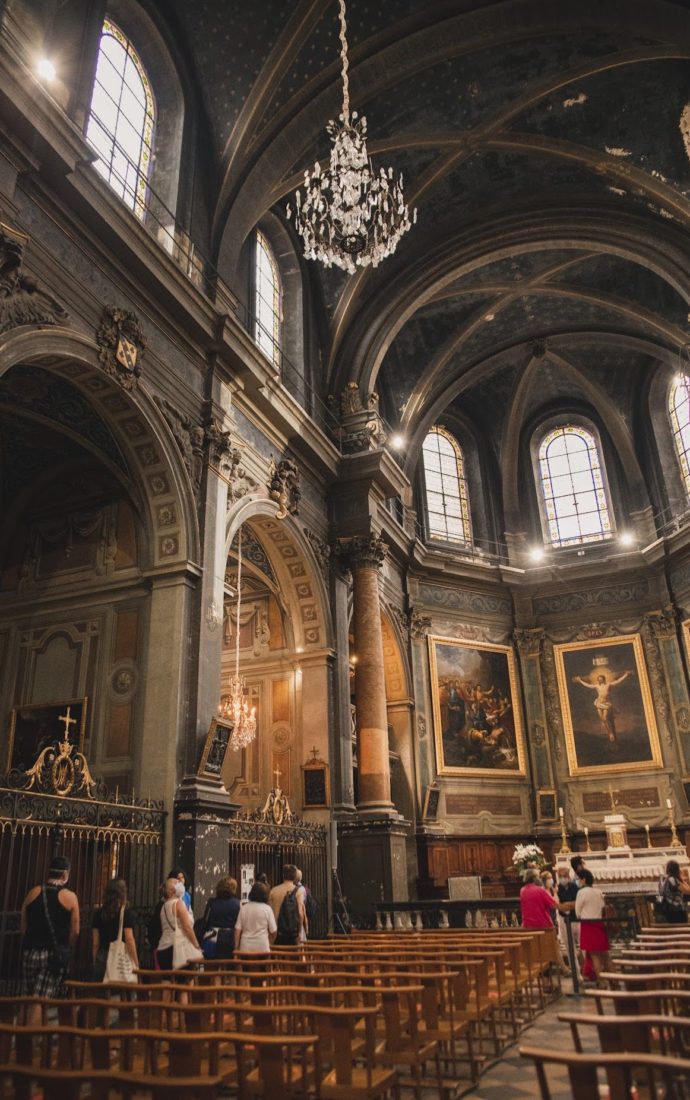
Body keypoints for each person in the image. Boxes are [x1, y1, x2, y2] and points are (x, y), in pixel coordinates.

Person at [20, 855, 80, 1025]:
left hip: (30, 951)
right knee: (40, 999)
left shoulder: (32, 892)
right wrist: (66, 948)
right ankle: (30, 1042)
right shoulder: (69, 897)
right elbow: (75, 931)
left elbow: (23, 925)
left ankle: (19, 1041)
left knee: (27, 997)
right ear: (65, 874)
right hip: (51, 955)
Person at [91, 878, 138, 980]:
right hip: (119, 959)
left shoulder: (98, 914)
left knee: (99, 993)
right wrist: (135, 961)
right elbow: (129, 939)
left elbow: (95, 942)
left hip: (102, 956)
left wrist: (94, 961)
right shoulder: (126, 913)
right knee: (122, 992)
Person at [572, 669, 634, 743]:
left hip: (606, 703)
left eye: (601, 680)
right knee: (603, 719)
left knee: (604, 717)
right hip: (598, 703)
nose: (600, 681)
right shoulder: (597, 686)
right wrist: (580, 681)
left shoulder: (608, 684)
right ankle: (609, 733)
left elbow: (618, 681)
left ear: (604, 679)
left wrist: (625, 675)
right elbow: (588, 685)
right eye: (599, 680)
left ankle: (611, 734)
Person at [575, 868, 610, 982]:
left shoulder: (581, 892)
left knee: (594, 955)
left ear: (583, 880)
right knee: (605, 955)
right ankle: (614, 981)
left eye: (579, 879)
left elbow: (577, 912)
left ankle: (601, 981)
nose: (578, 881)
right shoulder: (598, 891)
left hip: (588, 925)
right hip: (599, 924)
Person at [156, 877, 200, 970]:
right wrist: (196, 944)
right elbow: (187, 927)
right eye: (176, 882)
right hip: (177, 948)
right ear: (171, 890)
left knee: (166, 980)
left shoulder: (163, 907)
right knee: (184, 980)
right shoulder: (178, 903)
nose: (180, 883)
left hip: (163, 948)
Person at [201, 876, 241, 958]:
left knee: (210, 968)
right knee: (229, 968)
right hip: (229, 940)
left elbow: (206, 920)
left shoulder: (211, 902)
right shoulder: (238, 904)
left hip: (211, 938)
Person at [234, 881, 277, 955]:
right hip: (262, 947)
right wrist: (270, 943)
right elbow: (273, 931)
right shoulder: (267, 909)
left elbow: (237, 930)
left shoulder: (244, 908)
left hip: (245, 947)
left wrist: (236, 947)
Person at [268, 864, 305, 947]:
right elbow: (300, 913)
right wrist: (299, 931)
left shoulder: (274, 890)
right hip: (292, 932)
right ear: (295, 876)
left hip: (277, 931)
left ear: (283, 875)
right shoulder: (298, 891)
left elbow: (269, 911)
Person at [659, 859, 690, 924]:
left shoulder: (669, 878)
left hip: (671, 909)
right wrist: (682, 879)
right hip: (675, 910)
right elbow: (687, 891)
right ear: (676, 869)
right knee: (681, 929)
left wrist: (681, 878)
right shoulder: (672, 879)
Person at [293, 868, 309, 943]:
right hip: (300, 917)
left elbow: (301, 909)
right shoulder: (303, 889)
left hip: (295, 917)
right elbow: (303, 905)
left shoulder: (296, 889)